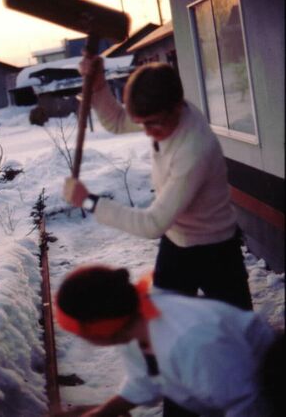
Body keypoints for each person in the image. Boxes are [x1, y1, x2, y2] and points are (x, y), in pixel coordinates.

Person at [63, 59, 253, 416]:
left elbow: (152, 223)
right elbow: (119, 121)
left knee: (237, 336)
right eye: (143, 123)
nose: (147, 132)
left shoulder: (193, 148)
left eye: (154, 123)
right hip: (179, 245)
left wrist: (89, 202)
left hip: (216, 250)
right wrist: (99, 85)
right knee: (154, 330)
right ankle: (174, 401)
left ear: (177, 107)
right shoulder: (164, 118)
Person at [55, 264, 281, 417]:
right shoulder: (136, 323)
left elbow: (249, 406)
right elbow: (145, 380)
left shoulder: (193, 343)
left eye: (77, 332)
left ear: (98, 330)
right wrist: (100, 414)